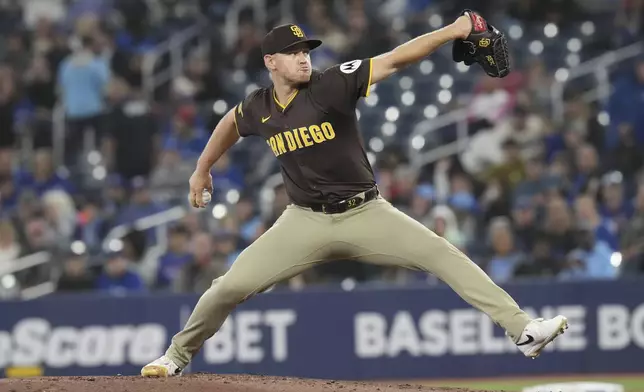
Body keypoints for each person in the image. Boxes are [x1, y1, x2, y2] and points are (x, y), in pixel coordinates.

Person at [141, 12, 568, 378]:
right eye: (293, 52)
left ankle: (523, 330)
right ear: (271, 61)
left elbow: (395, 60)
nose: (303, 57)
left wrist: (454, 30)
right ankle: (176, 357)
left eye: (306, 50)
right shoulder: (258, 106)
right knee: (227, 287)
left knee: (444, 254)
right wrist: (202, 168)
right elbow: (230, 124)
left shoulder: (330, 86)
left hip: (365, 212)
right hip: (303, 220)